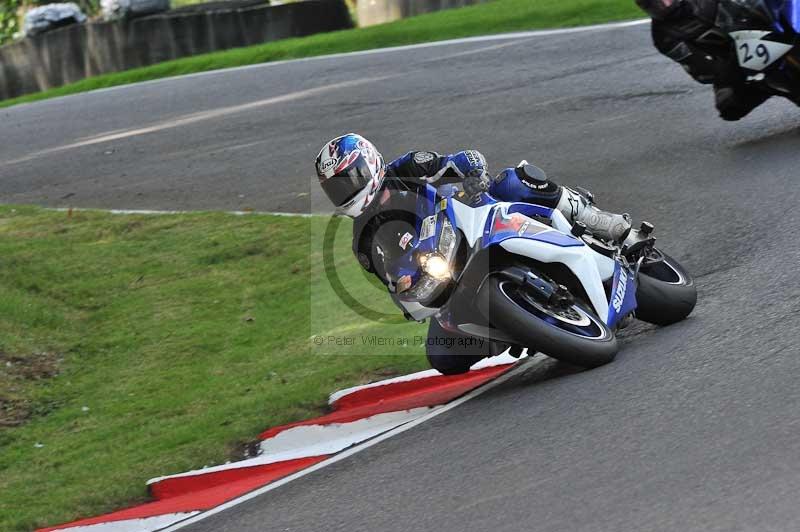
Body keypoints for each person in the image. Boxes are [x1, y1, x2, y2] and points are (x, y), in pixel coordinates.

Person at [315, 133, 631, 287]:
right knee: (444, 355)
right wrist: (405, 280)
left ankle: (591, 218)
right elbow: (393, 281)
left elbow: (463, 159)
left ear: (368, 162)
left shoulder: (408, 168)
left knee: (511, 180)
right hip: (451, 270)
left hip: (479, 216)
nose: (347, 190)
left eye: (350, 179)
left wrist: (472, 173)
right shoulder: (364, 241)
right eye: (337, 188)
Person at [636, 0, 770, 121]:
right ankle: (769, 87)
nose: (660, 6)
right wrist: (725, 71)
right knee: (729, 107)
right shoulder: (663, 38)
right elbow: (698, 66)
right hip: (730, 59)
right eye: (651, 5)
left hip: (755, 25)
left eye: (661, 1)